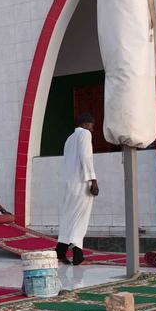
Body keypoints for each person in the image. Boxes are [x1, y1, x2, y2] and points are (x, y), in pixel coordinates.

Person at [57, 113, 99, 265]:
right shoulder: (85, 134)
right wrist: (93, 180)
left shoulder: (70, 138)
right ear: (86, 124)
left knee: (70, 217)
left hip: (69, 184)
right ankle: (78, 256)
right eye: (92, 125)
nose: (93, 129)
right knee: (80, 218)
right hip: (82, 182)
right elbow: (86, 157)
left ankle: (60, 251)